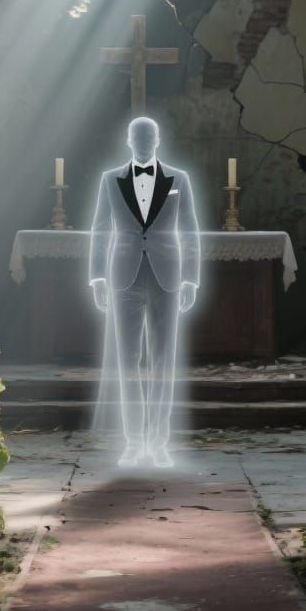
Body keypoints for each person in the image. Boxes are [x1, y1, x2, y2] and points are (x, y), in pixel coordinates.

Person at [89, 116, 201, 468]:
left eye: (148, 135)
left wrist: (191, 280)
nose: (142, 140)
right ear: (127, 139)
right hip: (123, 277)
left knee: (163, 361)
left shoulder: (178, 179)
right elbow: (100, 229)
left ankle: (159, 443)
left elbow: (190, 230)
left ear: (158, 138)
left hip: (167, 277)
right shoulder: (110, 180)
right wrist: (97, 278)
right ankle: (134, 443)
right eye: (137, 135)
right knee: (128, 362)